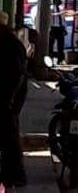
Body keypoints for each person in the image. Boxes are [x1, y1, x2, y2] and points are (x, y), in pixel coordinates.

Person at [0, 20, 28, 188]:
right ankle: (13, 174)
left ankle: (14, 174)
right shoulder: (13, 43)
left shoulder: (10, 45)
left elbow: (15, 73)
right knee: (9, 134)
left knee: (9, 135)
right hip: (12, 95)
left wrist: (9, 99)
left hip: (9, 95)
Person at [31, 0, 66, 64]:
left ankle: (60, 59)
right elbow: (50, 14)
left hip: (60, 27)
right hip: (52, 27)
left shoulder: (61, 8)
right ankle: (50, 59)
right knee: (50, 45)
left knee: (60, 45)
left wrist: (64, 27)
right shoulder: (50, 8)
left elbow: (62, 18)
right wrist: (58, 14)